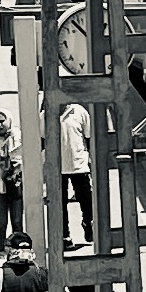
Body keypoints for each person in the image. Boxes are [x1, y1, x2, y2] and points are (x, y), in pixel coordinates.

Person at [59, 102, 94, 248]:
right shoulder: (46, 113)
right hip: (58, 167)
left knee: (85, 198)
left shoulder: (79, 111)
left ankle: (88, 223)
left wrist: (91, 159)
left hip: (79, 164)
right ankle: (65, 235)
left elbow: (89, 136)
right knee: (60, 203)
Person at [0, 111, 24, 242]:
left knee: (16, 222)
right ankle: (1, 251)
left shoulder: (16, 136)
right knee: (0, 222)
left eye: (1, 121)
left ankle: (19, 250)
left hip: (14, 185)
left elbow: (19, 157)